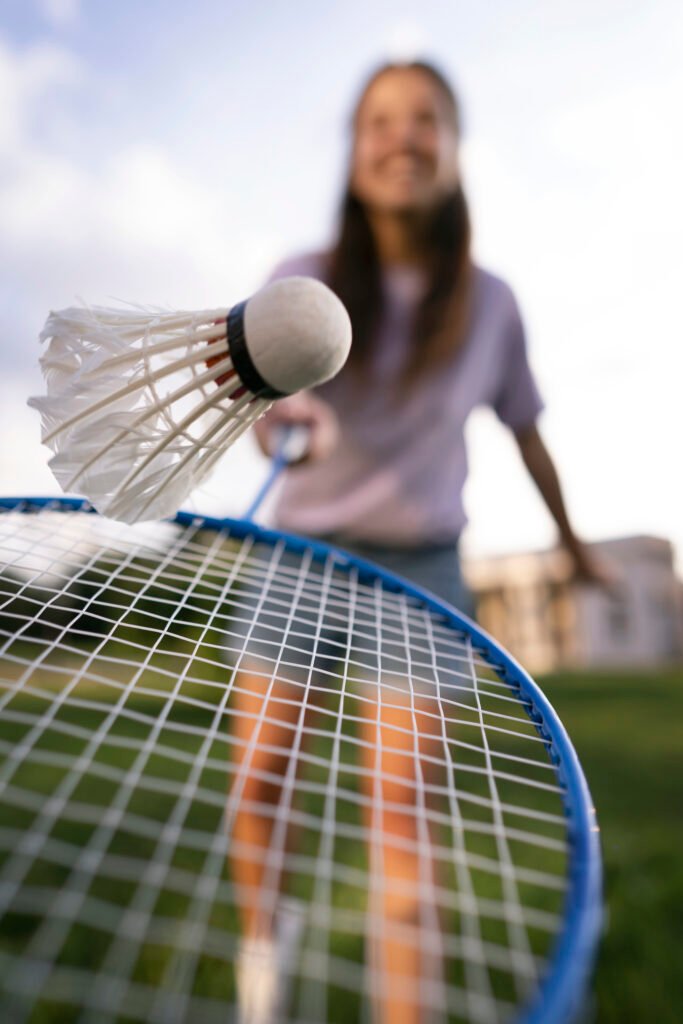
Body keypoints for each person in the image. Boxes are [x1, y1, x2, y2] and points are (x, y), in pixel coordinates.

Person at [229, 60, 608, 1024]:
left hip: (422, 568)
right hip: (297, 556)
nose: (403, 137)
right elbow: (262, 415)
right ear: (355, 154)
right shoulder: (298, 279)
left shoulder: (492, 304)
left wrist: (571, 543)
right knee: (261, 778)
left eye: (424, 120)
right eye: (381, 121)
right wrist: (278, 428)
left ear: (450, 145)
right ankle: (262, 958)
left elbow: (527, 433)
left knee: (401, 816)